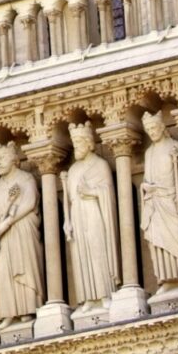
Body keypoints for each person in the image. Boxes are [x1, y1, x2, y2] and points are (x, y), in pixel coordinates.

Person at [63, 124, 118, 313]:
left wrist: (91, 191)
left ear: (88, 143)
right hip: (78, 216)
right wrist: (67, 220)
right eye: (74, 142)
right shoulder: (73, 170)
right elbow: (69, 200)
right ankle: (88, 297)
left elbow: (107, 193)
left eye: (79, 141)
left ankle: (104, 293)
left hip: (94, 213)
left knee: (97, 251)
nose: (76, 146)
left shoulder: (100, 165)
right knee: (81, 256)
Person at [138, 111, 178, 295]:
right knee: (158, 241)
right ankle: (166, 279)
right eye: (149, 129)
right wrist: (145, 187)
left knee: (177, 237)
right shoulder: (149, 153)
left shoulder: (174, 147)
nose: (152, 131)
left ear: (162, 127)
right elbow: (146, 179)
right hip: (155, 202)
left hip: (170, 199)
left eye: (154, 127)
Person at [0, 142, 41, 328]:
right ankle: (9, 313)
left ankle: (28, 308)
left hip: (22, 230)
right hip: (4, 235)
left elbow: (29, 203)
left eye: (2, 159)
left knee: (25, 265)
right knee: (5, 272)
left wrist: (8, 222)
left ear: (13, 159)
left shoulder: (26, 179)